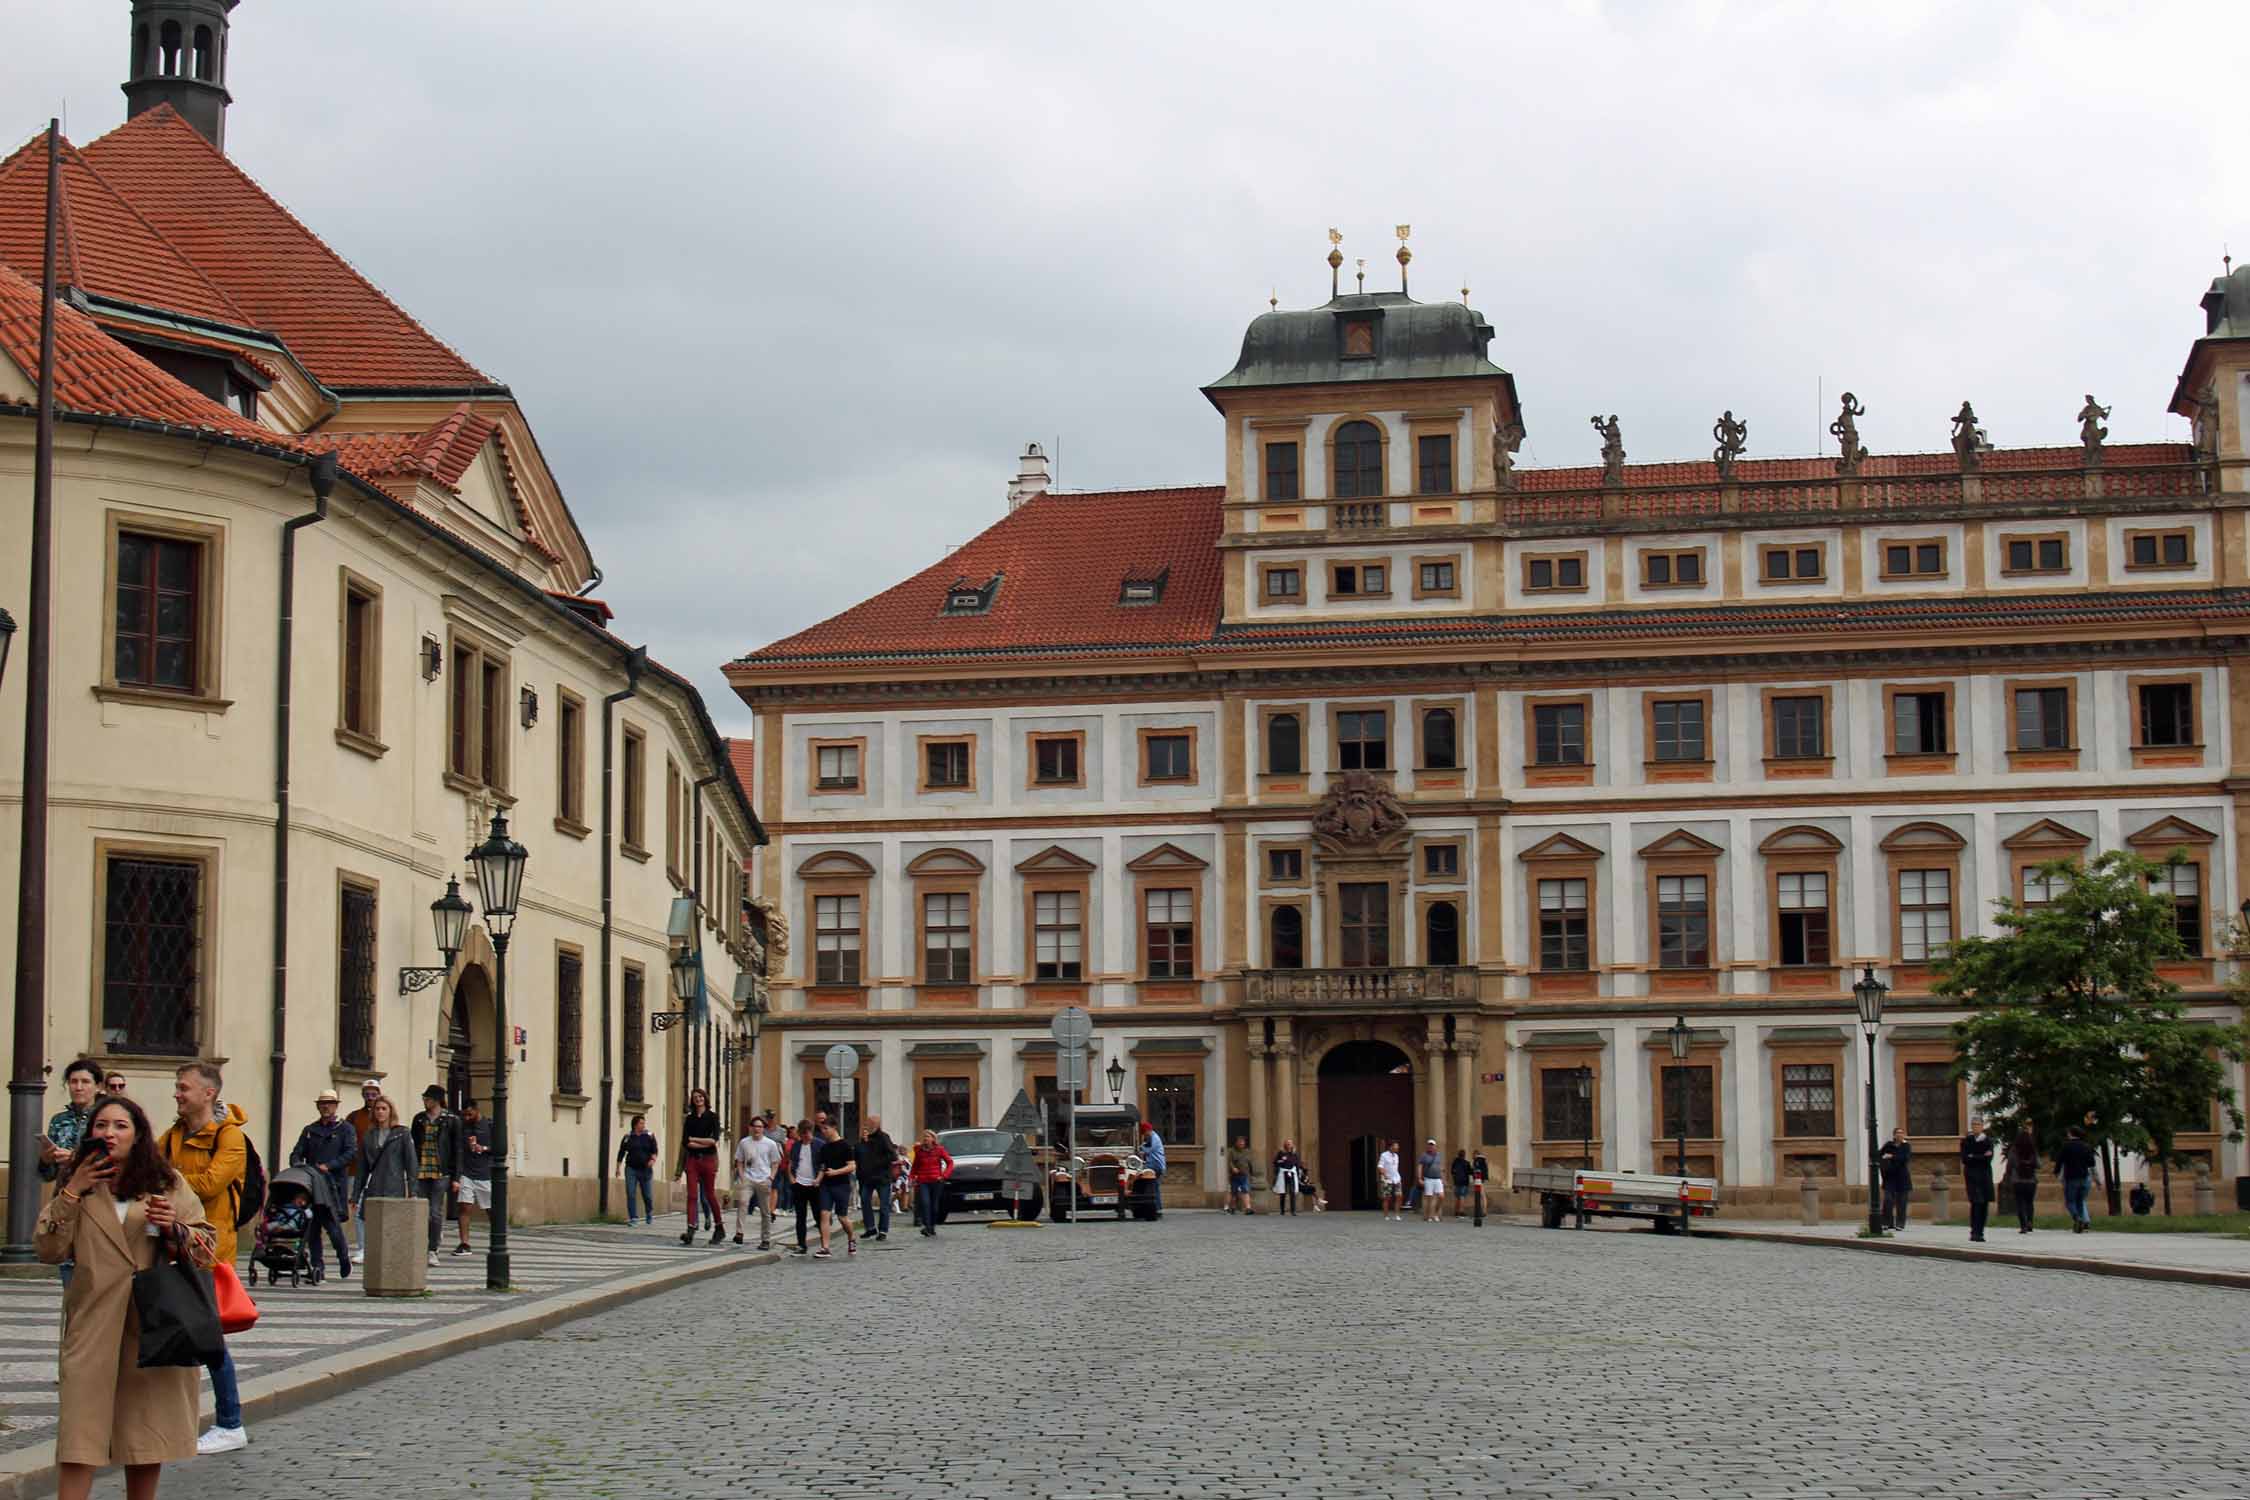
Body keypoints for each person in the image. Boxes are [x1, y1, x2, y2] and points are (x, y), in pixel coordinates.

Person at [39, 1093, 217, 1500]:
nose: (109, 1133)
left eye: (120, 1126)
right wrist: (71, 1192)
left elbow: (207, 1249)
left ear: (138, 1136)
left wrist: (175, 1228)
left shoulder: (166, 1182)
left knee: (144, 1436)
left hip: (153, 1325)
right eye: (101, 1125)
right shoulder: (76, 1183)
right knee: (78, 1438)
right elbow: (48, 1250)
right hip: (92, 1325)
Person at [155, 1062, 248, 1456]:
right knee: (174, 1336)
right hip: (172, 1246)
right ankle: (170, 1421)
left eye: (183, 1088)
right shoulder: (173, 1135)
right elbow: (148, 1172)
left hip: (209, 1252)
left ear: (208, 1093)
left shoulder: (229, 1138)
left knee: (210, 1342)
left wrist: (169, 1180)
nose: (177, 1094)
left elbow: (211, 1184)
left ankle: (231, 1423)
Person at [41, 1057, 103, 1293]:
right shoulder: (59, 1121)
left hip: (98, 1200)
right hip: (66, 1200)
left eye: (85, 1081)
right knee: (68, 1267)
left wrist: (75, 1158)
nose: (78, 1087)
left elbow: (113, 1161)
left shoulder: (107, 1118)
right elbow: (47, 1174)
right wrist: (47, 1159)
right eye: (73, 1081)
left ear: (97, 1086)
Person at [288, 1089, 355, 1279]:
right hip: (311, 1183)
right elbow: (297, 1152)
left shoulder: (345, 1129)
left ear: (336, 1106)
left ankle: (343, 1257)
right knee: (312, 1228)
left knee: (333, 1227)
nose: (325, 1107)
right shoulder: (310, 1130)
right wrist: (297, 1164)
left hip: (333, 1185)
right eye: (322, 1103)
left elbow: (350, 1153)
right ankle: (318, 1267)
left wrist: (330, 1166)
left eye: (329, 1103)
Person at [408, 1086, 460, 1268]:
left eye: (428, 1098)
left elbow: (457, 1150)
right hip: (421, 1169)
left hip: (441, 1171)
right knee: (421, 1210)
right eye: (424, 1098)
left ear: (437, 1100)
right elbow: (412, 1145)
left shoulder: (452, 1120)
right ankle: (422, 1245)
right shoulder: (419, 1119)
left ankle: (433, 1249)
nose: (425, 1101)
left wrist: (456, 1177)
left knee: (435, 1212)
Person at [676, 1088, 723, 1247]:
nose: (698, 1099)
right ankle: (691, 1228)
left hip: (708, 1159)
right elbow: (685, 1142)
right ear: (692, 1100)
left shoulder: (713, 1117)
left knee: (710, 1195)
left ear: (705, 1098)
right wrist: (701, 1142)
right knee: (692, 1196)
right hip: (693, 1160)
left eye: (700, 1096)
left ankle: (719, 1227)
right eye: (695, 1097)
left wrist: (695, 1140)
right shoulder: (689, 1119)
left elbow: (713, 1140)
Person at [353, 1095, 416, 1211]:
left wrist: (413, 1191)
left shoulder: (402, 1133)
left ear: (390, 1111)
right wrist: (355, 1196)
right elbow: (362, 1168)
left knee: (392, 1223)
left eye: (384, 1108)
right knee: (373, 1223)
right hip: (374, 1186)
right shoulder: (369, 1135)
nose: (380, 1112)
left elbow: (411, 1163)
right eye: (377, 1109)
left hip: (394, 1186)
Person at [341, 1078, 382, 1259]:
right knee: (358, 1210)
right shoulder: (354, 1117)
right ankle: (362, 1248)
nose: (370, 1097)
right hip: (356, 1170)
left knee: (378, 1210)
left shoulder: (384, 1116)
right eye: (367, 1094)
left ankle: (378, 1246)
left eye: (374, 1094)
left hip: (380, 1171)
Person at [733, 1115, 781, 1248]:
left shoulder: (770, 1144)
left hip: (764, 1179)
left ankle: (765, 1239)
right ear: (750, 1128)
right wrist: (742, 1176)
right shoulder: (744, 1142)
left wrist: (771, 1177)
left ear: (763, 1129)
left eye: (760, 1127)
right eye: (755, 1126)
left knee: (765, 1211)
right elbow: (739, 1161)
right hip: (748, 1178)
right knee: (742, 1202)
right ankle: (739, 1232)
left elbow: (775, 1162)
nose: (757, 1129)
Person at [454, 1099, 494, 1254]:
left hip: (485, 1173)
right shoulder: (463, 1126)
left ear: (477, 1110)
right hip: (467, 1173)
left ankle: (496, 1238)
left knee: (490, 1209)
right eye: (464, 1115)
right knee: (464, 1206)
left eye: (469, 1114)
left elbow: (499, 1148)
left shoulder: (489, 1125)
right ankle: (464, 1243)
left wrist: (482, 1148)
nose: (466, 1118)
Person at [814, 1120, 857, 1259]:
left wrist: (836, 1172)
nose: (823, 1132)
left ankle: (851, 1237)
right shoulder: (825, 1147)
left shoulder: (845, 1146)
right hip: (826, 1185)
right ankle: (825, 1247)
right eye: (822, 1129)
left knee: (842, 1217)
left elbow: (851, 1166)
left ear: (834, 1128)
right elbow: (823, 1167)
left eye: (826, 1128)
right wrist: (818, 1179)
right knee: (824, 1214)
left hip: (842, 1185)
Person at [855, 1114, 898, 1241]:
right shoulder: (864, 1140)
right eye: (867, 1123)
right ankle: (870, 1228)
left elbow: (892, 1156)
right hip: (867, 1178)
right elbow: (859, 1158)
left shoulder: (883, 1137)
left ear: (877, 1125)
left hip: (882, 1177)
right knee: (864, 1200)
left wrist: (877, 1162)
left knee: (884, 1205)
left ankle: (883, 1230)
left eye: (871, 1123)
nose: (868, 1125)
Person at [616, 1114, 659, 1227]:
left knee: (647, 1195)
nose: (643, 1125)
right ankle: (633, 1218)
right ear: (635, 1125)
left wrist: (652, 1160)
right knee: (631, 1193)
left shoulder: (649, 1136)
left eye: (644, 1123)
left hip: (645, 1169)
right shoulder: (628, 1137)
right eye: (641, 1123)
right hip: (631, 1168)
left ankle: (649, 1212)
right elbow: (621, 1152)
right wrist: (618, 1168)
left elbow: (655, 1150)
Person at [786, 1119, 821, 1255]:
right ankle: (802, 1244)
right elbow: (792, 1162)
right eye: (803, 1134)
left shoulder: (819, 1145)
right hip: (799, 1184)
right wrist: (791, 1178)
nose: (805, 1137)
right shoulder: (796, 1146)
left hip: (814, 1184)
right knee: (800, 1217)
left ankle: (825, 1244)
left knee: (818, 1216)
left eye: (807, 1134)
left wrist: (818, 1179)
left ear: (811, 1132)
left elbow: (823, 1164)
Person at [909, 1129, 953, 1237]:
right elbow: (915, 1166)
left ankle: (932, 1226)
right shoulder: (919, 1151)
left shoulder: (939, 1150)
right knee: (925, 1203)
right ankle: (927, 1227)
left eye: (928, 1137)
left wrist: (944, 1176)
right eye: (924, 1137)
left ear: (933, 1139)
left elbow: (950, 1162)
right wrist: (911, 1177)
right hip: (923, 1181)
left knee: (934, 1206)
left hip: (936, 1181)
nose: (925, 1139)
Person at [1959, 1117, 1996, 1243]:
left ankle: (1980, 1232)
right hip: (1972, 1176)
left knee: (1984, 1203)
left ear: (1982, 1126)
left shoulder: (1988, 1141)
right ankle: (1974, 1231)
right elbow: (1965, 1159)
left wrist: (1973, 1156)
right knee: (1976, 1203)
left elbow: (1988, 1159)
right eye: (1973, 1124)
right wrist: (1980, 1156)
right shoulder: (1967, 1141)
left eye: (1978, 1124)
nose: (1975, 1127)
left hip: (1985, 1176)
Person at [2056, 1125, 2098, 1233]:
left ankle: (2077, 1218)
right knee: (2080, 1201)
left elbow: (2060, 1161)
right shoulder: (2086, 1146)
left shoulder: (2066, 1146)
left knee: (2070, 1202)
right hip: (2084, 1177)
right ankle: (2083, 1222)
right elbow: (2091, 1163)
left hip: (2071, 1178)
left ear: (2070, 1134)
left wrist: (2056, 1172)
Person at [1877, 1127, 1913, 1231]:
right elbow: (1879, 1155)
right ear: (1894, 1135)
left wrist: (1891, 1156)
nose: (1900, 1135)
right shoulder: (1889, 1145)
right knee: (1888, 1200)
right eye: (1897, 1133)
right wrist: (1883, 1160)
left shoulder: (1906, 1146)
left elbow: (1905, 1158)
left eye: (1901, 1133)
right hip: (1889, 1177)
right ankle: (1886, 1223)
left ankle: (1900, 1224)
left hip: (1902, 1178)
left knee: (1902, 1203)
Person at [2006, 1127, 2040, 1234]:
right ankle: (2030, 1222)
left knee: (2020, 1203)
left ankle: (2023, 1225)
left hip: (2018, 1180)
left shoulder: (2014, 1150)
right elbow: (2039, 1164)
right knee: (2030, 1202)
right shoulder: (2033, 1150)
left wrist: (2009, 1174)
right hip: (2031, 1181)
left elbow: (2009, 1165)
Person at [1137, 1121, 1166, 1219]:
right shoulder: (1151, 1137)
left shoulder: (1154, 1138)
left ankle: (1156, 1209)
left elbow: (1148, 1150)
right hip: (1154, 1164)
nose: (1143, 1135)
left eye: (1144, 1132)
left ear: (1147, 1131)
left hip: (1156, 1165)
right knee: (1155, 1187)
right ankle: (1156, 1208)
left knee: (1152, 1187)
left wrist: (1139, 1148)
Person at [1271, 1139, 1305, 1216]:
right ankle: (1282, 1210)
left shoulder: (1295, 1154)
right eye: (1287, 1144)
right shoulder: (1281, 1153)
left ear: (1292, 1145)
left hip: (1292, 1173)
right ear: (1284, 1145)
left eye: (1290, 1144)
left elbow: (1298, 1164)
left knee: (1292, 1192)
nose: (1288, 1145)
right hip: (1283, 1173)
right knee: (1283, 1192)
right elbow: (1275, 1162)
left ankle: (1293, 1211)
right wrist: (1281, 1161)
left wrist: (1299, 1173)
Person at [1225, 1137, 1254, 1215]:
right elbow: (1229, 1162)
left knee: (1245, 1190)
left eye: (1243, 1143)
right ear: (1236, 1143)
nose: (1242, 1144)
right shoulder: (1232, 1151)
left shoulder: (1247, 1152)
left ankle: (1248, 1208)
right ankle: (1232, 1207)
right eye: (1240, 1143)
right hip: (1234, 1175)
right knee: (1234, 1192)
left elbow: (1250, 1163)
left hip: (1244, 1174)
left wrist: (1251, 1173)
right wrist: (1233, 1168)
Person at [1418, 1139, 1445, 1222]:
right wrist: (1419, 1178)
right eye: (1429, 1145)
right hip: (1428, 1178)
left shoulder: (1438, 1155)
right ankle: (1429, 1216)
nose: (1430, 1146)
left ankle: (1436, 1213)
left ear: (1435, 1146)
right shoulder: (1424, 1155)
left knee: (1441, 1196)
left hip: (1437, 1178)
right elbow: (1420, 1166)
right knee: (1429, 1197)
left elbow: (1440, 1167)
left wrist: (1443, 1177)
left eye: (1432, 1145)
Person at [1377, 1139, 1403, 1220]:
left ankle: (1397, 1215)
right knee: (1387, 1198)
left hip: (1396, 1178)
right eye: (1396, 1146)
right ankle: (1386, 1215)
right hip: (1387, 1179)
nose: (1397, 1147)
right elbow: (1380, 1166)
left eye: (1397, 1146)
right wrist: (1384, 1174)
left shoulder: (1396, 1156)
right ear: (1391, 1147)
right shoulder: (1384, 1155)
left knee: (1399, 1196)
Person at [1449, 1149, 1473, 1223]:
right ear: (1464, 1155)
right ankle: (1461, 1211)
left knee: (1457, 1197)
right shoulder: (1466, 1163)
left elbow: (1452, 1171)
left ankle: (1456, 1211)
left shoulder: (1455, 1162)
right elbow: (1470, 1172)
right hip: (1464, 1182)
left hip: (1456, 1182)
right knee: (1462, 1196)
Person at [1470, 1150, 1491, 1226]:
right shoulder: (1483, 1160)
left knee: (1481, 1195)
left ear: (1475, 1154)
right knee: (1482, 1195)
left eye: (1473, 1155)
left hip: (1479, 1180)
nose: (1472, 1156)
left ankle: (1483, 1211)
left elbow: (1477, 1170)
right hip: (1481, 1180)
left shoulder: (1477, 1160)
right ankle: (1482, 1211)